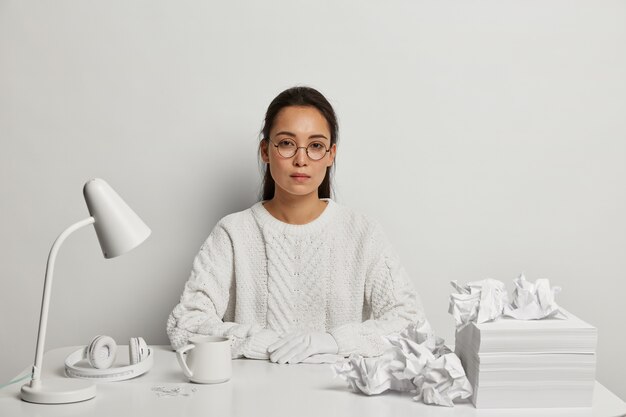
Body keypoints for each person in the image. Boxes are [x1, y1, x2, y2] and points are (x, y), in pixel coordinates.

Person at [167, 86, 426, 364]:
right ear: (265, 151)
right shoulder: (233, 233)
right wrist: (255, 340)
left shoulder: (363, 233)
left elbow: (413, 325)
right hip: (250, 399)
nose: (301, 160)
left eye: (315, 146)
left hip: (340, 401)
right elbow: (184, 323)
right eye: (287, 143)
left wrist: (334, 341)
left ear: (331, 154)